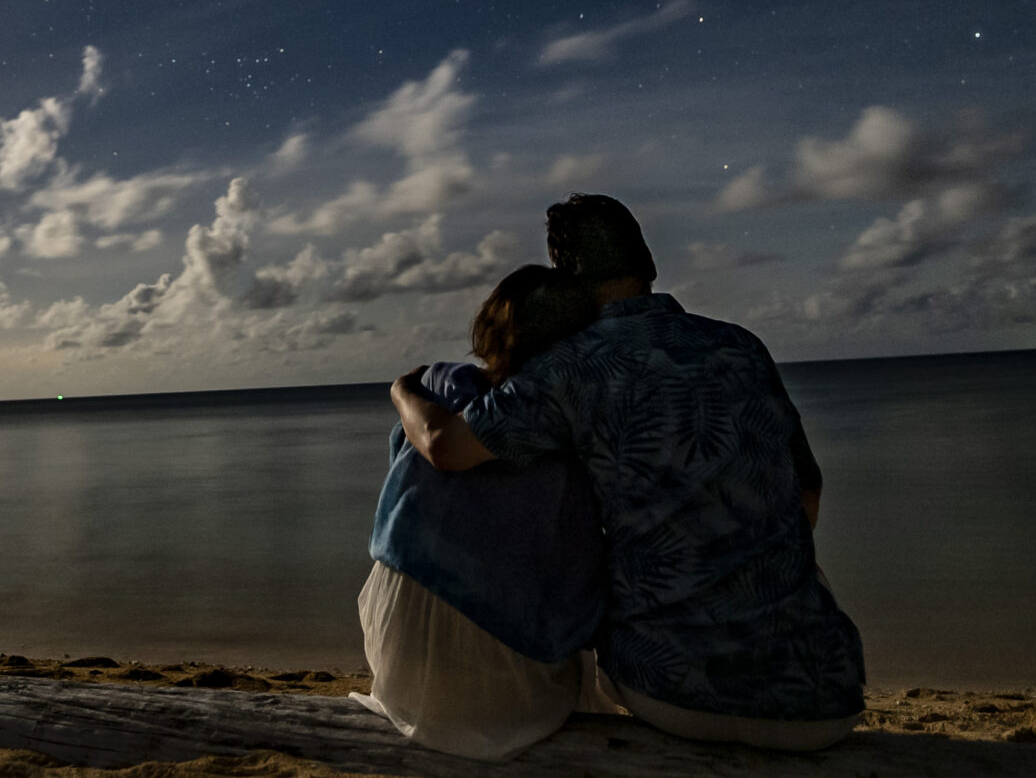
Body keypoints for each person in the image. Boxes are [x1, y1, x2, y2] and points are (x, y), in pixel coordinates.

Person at [389, 195, 865, 752]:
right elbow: (806, 498)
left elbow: (443, 447)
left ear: (568, 277)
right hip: (825, 699)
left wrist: (402, 391)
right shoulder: (742, 347)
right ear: (650, 265)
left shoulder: (568, 369)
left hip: (669, 693)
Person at [355, 264, 611, 759]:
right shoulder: (565, 417)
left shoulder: (438, 386)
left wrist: (401, 390)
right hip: (508, 701)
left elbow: (412, 462)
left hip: (401, 670)